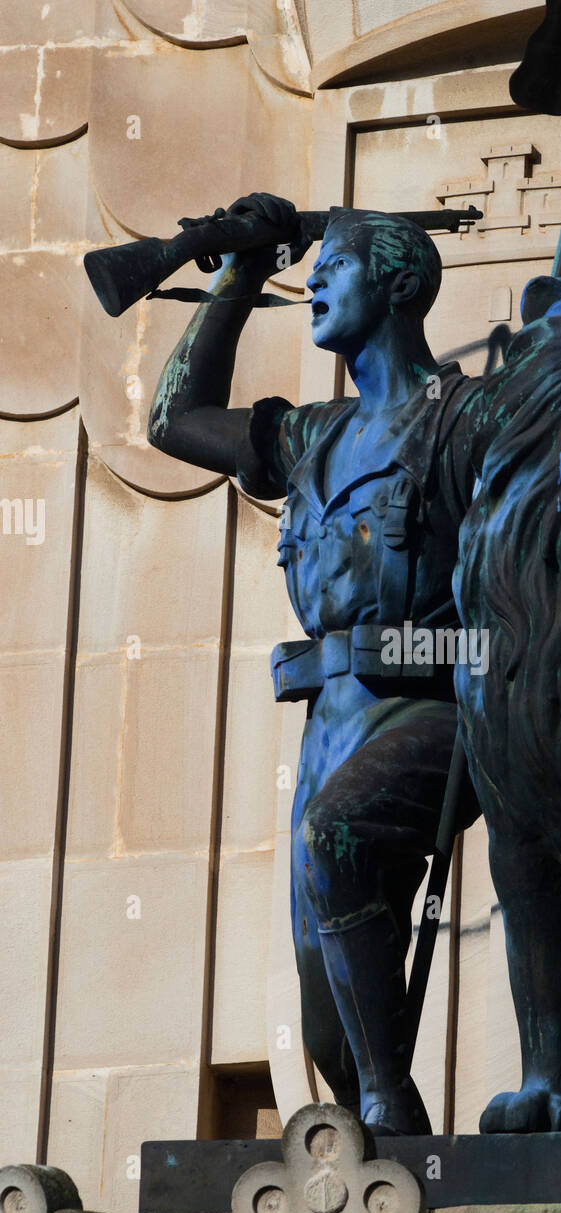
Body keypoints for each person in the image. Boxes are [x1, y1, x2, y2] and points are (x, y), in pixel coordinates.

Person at [148, 192, 489, 1135]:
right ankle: (381, 1138)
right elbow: (172, 421)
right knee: (327, 1021)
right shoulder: (314, 436)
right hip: (331, 718)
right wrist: (238, 270)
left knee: (332, 836)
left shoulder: (463, 419)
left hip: (433, 704)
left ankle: (391, 1106)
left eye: (331, 267)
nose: (315, 285)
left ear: (397, 282)